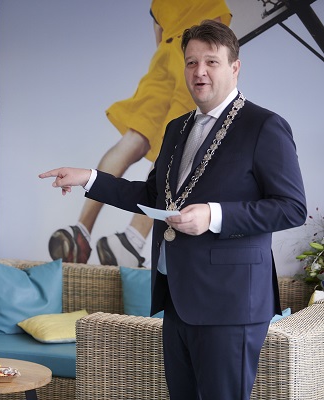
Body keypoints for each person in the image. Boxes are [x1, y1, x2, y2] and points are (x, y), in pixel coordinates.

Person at [40, 20, 306, 400]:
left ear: (235, 67)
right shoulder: (176, 128)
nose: (199, 72)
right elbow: (151, 195)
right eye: (191, 62)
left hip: (230, 306)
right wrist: (89, 178)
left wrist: (213, 216)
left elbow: (291, 208)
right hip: (177, 299)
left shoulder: (264, 126)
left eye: (211, 62)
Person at [48, 0, 231, 267]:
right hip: (193, 61)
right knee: (174, 150)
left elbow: (159, 36)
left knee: (134, 139)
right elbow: (219, 39)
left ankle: (81, 230)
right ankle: (130, 240)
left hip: (165, 56)